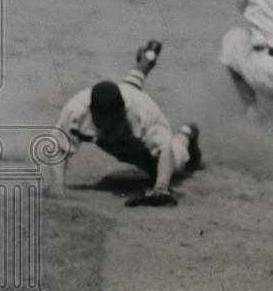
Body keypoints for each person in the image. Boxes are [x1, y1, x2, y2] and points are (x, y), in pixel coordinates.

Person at [48, 40, 202, 207]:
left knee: (174, 164)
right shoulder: (76, 110)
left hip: (137, 123)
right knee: (129, 86)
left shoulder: (142, 112)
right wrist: (58, 186)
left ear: (123, 111)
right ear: (91, 112)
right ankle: (147, 59)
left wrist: (161, 187)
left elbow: (166, 149)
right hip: (125, 94)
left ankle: (187, 132)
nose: (108, 128)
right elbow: (57, 149)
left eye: (113, 123)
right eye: (103, 123)